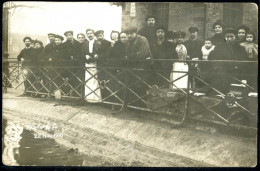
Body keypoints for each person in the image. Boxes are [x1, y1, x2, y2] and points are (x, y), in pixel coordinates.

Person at [208, 28, 248, 94]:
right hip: (222, 72)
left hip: (236, 73)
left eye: (231, 36)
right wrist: (217, 66)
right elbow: (212, 57)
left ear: (235, 37)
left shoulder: (240, 48)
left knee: (235, 92)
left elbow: (243, 61)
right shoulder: (219, 46)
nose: (229, 39)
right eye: (227, 37)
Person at [125, 26, 152, 106]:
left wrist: (131, 56)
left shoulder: (142, 39)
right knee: (133, 85)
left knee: (142, 85)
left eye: (131, 34)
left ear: (135, 33)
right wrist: (133, 56)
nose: (129, 36)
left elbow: (143, 53)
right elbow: (127, 54)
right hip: (134, 67)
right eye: (127, 34)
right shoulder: (128, 42)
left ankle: (143, 105)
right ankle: (134, 104)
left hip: (144, 67)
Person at [81, 28, 102, 103]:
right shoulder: (85, 43)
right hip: (88, 64)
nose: (89, 35)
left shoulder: (98, 42)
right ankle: (88, 98)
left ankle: (96, 99)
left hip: (95, 64)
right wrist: (85, 56)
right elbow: (82, 53)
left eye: (91, 33)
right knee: (88, 81)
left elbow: (101, 52)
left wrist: (97, 55)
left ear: (93, 34)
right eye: (88, 33)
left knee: (95, 81)